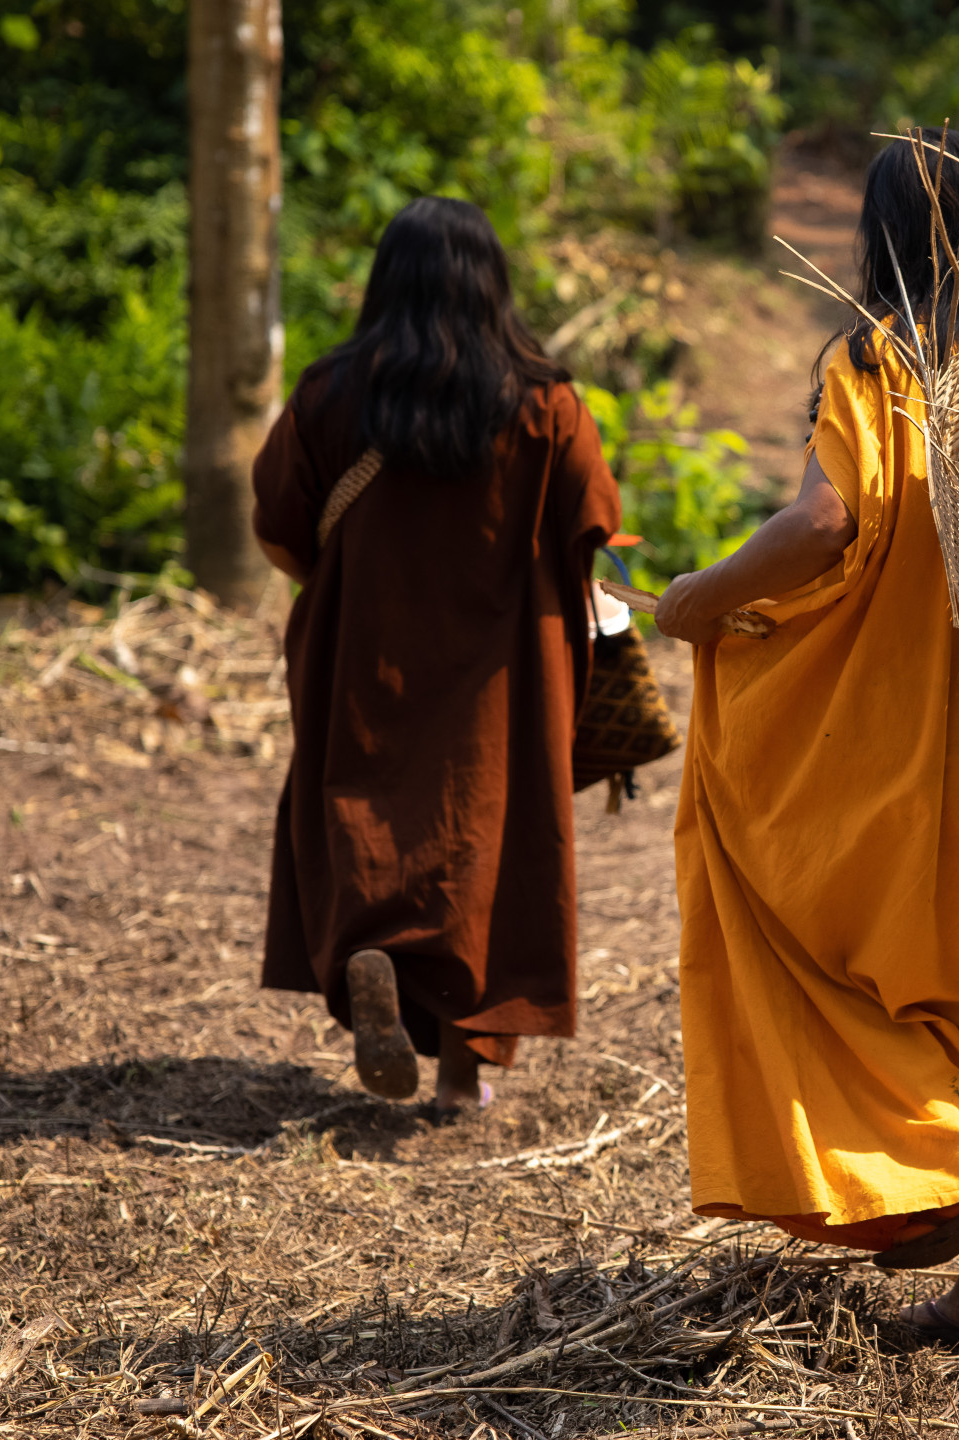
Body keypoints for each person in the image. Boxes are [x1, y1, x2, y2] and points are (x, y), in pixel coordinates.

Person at [656, 130, 959, 1357]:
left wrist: (702, 596)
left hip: (892, 729)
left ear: (893, 236)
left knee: (819, 949)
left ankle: (953, 1165)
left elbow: (824, 523)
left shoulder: (885, 361)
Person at [250, 197, 622, 1114]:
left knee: (366, 811)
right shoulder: (547, 404)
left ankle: (371, 948)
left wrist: (338, 587)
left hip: (362, 655)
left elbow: (279, 526)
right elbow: (592, 526)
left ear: (388, 281)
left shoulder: (330, 395)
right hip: (503, 674)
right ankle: (460, 1078)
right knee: (485, 838)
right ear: (492, 284)